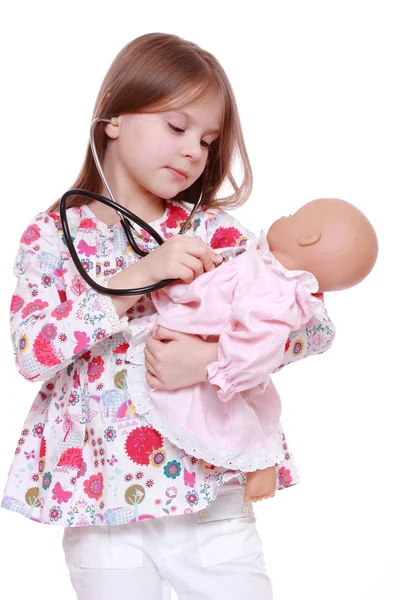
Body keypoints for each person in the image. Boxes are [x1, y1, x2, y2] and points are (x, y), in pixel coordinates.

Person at [2, 33, 334, 600]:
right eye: (177, 128)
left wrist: (214, 360)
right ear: (111, 116)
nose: (193, 152)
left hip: (209, 501)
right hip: (101, 505)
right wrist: (138, 277)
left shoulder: (214, 232)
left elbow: (315, 327)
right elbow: (32, 352)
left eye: (207, 141)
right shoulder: (51, 236)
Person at [129, 198, 376, 505]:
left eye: (292, 213)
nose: (284, 215)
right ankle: (258, 459)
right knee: (235, 413)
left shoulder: (275, 289)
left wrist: (218, 364)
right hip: (192, 325)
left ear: (307, 237)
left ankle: (260, 462)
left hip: (209, 355)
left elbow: (260, 342)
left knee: (223, 416)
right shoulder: (264, 263)